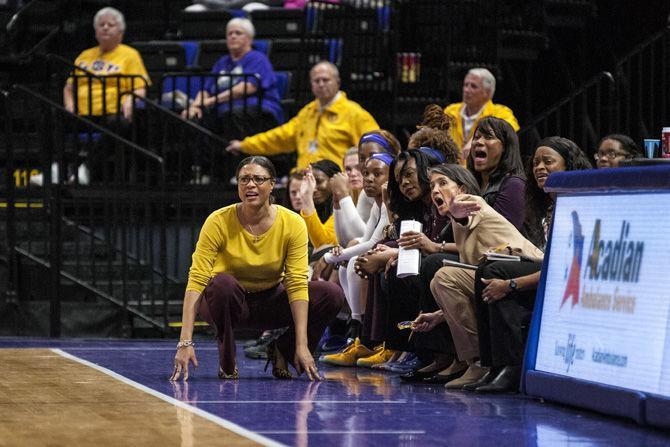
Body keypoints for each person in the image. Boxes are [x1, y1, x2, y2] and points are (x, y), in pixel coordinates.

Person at [170, 155, 344, 381]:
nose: (250, 184)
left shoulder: (292, 222)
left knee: (331, 294)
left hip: (271, 301)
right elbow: (197, 279)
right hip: (226, 303)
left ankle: (284, 349)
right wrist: (185, 341)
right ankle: (227, 357)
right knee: (222, 283)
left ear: (272, 184)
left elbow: (297, 283)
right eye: (244, 179)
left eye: (258, 179)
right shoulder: (218, 220)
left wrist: (302, 345)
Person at [471, 136, 592, 393]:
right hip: (545, 274)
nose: (539, 168)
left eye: (548, 162)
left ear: (569, 166)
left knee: (496, 272)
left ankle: (511, 367)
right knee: (486, 267)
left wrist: (511, 284)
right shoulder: (540, 207)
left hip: (569, 281)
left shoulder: (580, 205)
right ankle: (493, 365)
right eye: (535, 163)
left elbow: (566, 268)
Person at [422, 164, 544, 390]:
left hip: (529, 267)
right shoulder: (455, 218)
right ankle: (479, 362)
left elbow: (466, 215)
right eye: (432, 186)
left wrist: (458, 215)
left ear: (462, 188)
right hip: (494, 269)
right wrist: (440, 314)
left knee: (444, 276)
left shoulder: (471, 203)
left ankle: (478, 361)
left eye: (443, 183)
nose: (435, 190)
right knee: (442, 279)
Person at [226, 61, 379, 171]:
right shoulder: (307, 113)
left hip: (337, 183)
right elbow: (278, 137)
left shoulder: (355, 113)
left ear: (337, 82)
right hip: (304, 181)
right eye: (316, 81)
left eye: (325, 80)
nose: (321, 84)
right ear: (311, 85)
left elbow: (376, 147)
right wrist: (244, 145)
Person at [182, 18, 283, 140]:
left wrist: (210, 101)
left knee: (231, 113)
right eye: (229, 33)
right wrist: (195, 106)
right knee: (195, 117)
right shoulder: (222, 62)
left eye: (238, 33)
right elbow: (206, 89)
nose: (233, 36)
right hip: (224, 107)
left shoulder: (258, 59)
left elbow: (246, 88)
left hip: (256, 108)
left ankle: (238, 157)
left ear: (249, 39)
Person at [63, 7, 150, 122]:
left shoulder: (131, 55)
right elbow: (69, 88)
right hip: (81, 114)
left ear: (120, 32)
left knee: (119, 124)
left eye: (111, 25)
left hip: (113, 113)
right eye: (101, 24)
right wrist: (70, 106)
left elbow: (139, 88)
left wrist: (130, 100)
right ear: (95, 32)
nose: (105, 28)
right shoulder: (84, 55)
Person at [466, 116, 526, 231]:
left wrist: (440, 246)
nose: (478, 142)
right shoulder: (471, 185)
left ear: (505, 146)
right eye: (476, 137)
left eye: (488, 137)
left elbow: (499, 236)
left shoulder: (514, 185)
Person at [444, 68, 519, 157]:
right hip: (451, 168)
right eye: (465, 85)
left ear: (487, 93)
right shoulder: (450, 111)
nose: (467, 90)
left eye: (473, 86)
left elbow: (509, 133)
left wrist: (475, 141)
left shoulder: (501, 113)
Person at [298, 159, 341, 249]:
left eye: (319, 181)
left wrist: (307, 200)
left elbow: (324, 246)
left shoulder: (342, 207)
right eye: (311, 182)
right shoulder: (304, 210)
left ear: (334, 181)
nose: (313, 189)